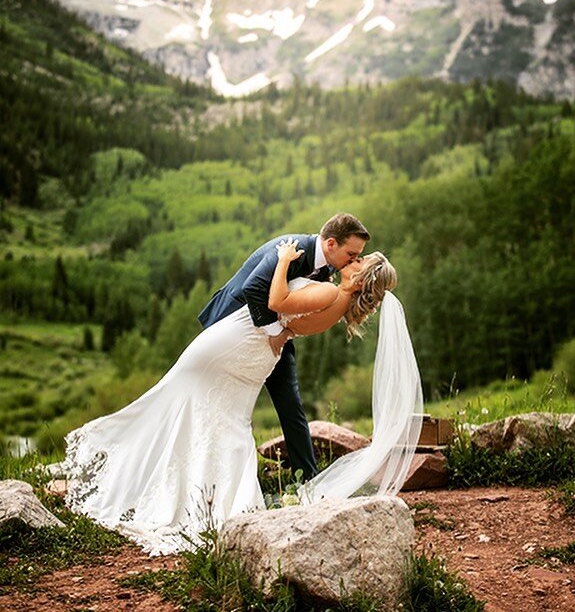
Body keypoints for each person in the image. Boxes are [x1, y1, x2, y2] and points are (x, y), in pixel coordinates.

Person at [64, 235, 422, 555]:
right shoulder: (337, 299)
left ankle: (175, 486)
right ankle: (206, 495)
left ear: (360, 278)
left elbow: (278, 300)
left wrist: (282, 260)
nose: (353, 261)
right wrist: (282, 328)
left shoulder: (332, 292)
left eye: (359, 261)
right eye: (354, 255)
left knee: (205, 410)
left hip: (243, 344)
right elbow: (290, 324)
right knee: (219, 417)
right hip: (253, 349)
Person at [198, 212, 371, 481]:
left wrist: (284, 334)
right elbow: (253, 288)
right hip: (235, 327)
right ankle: (212, 473)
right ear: (331, 245)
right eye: (352, 254)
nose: (354, 260)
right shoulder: (291, 248)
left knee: (291, 405)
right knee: (218, 402)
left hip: (274, 339)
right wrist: (277, 332)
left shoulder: (329, 269)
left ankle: (307, 479)